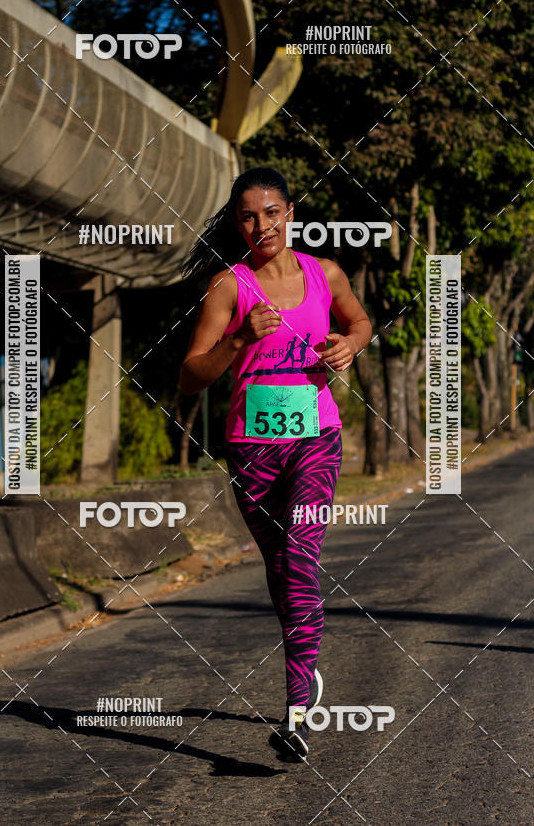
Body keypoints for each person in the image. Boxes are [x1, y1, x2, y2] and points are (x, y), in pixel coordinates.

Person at [179, 167, 372, 761]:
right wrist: (237, 341)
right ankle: (305, 668)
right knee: (279, 568)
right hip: (251, 446)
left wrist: (350, 345)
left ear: (290, 212)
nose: (260, 226)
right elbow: (188, 377)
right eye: (247, 216)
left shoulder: (324, 273)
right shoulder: (230, 287)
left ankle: (296, 708)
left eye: (271, 212)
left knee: (299, 554)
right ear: (237, 223)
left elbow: (360, 321)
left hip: (316, 437)